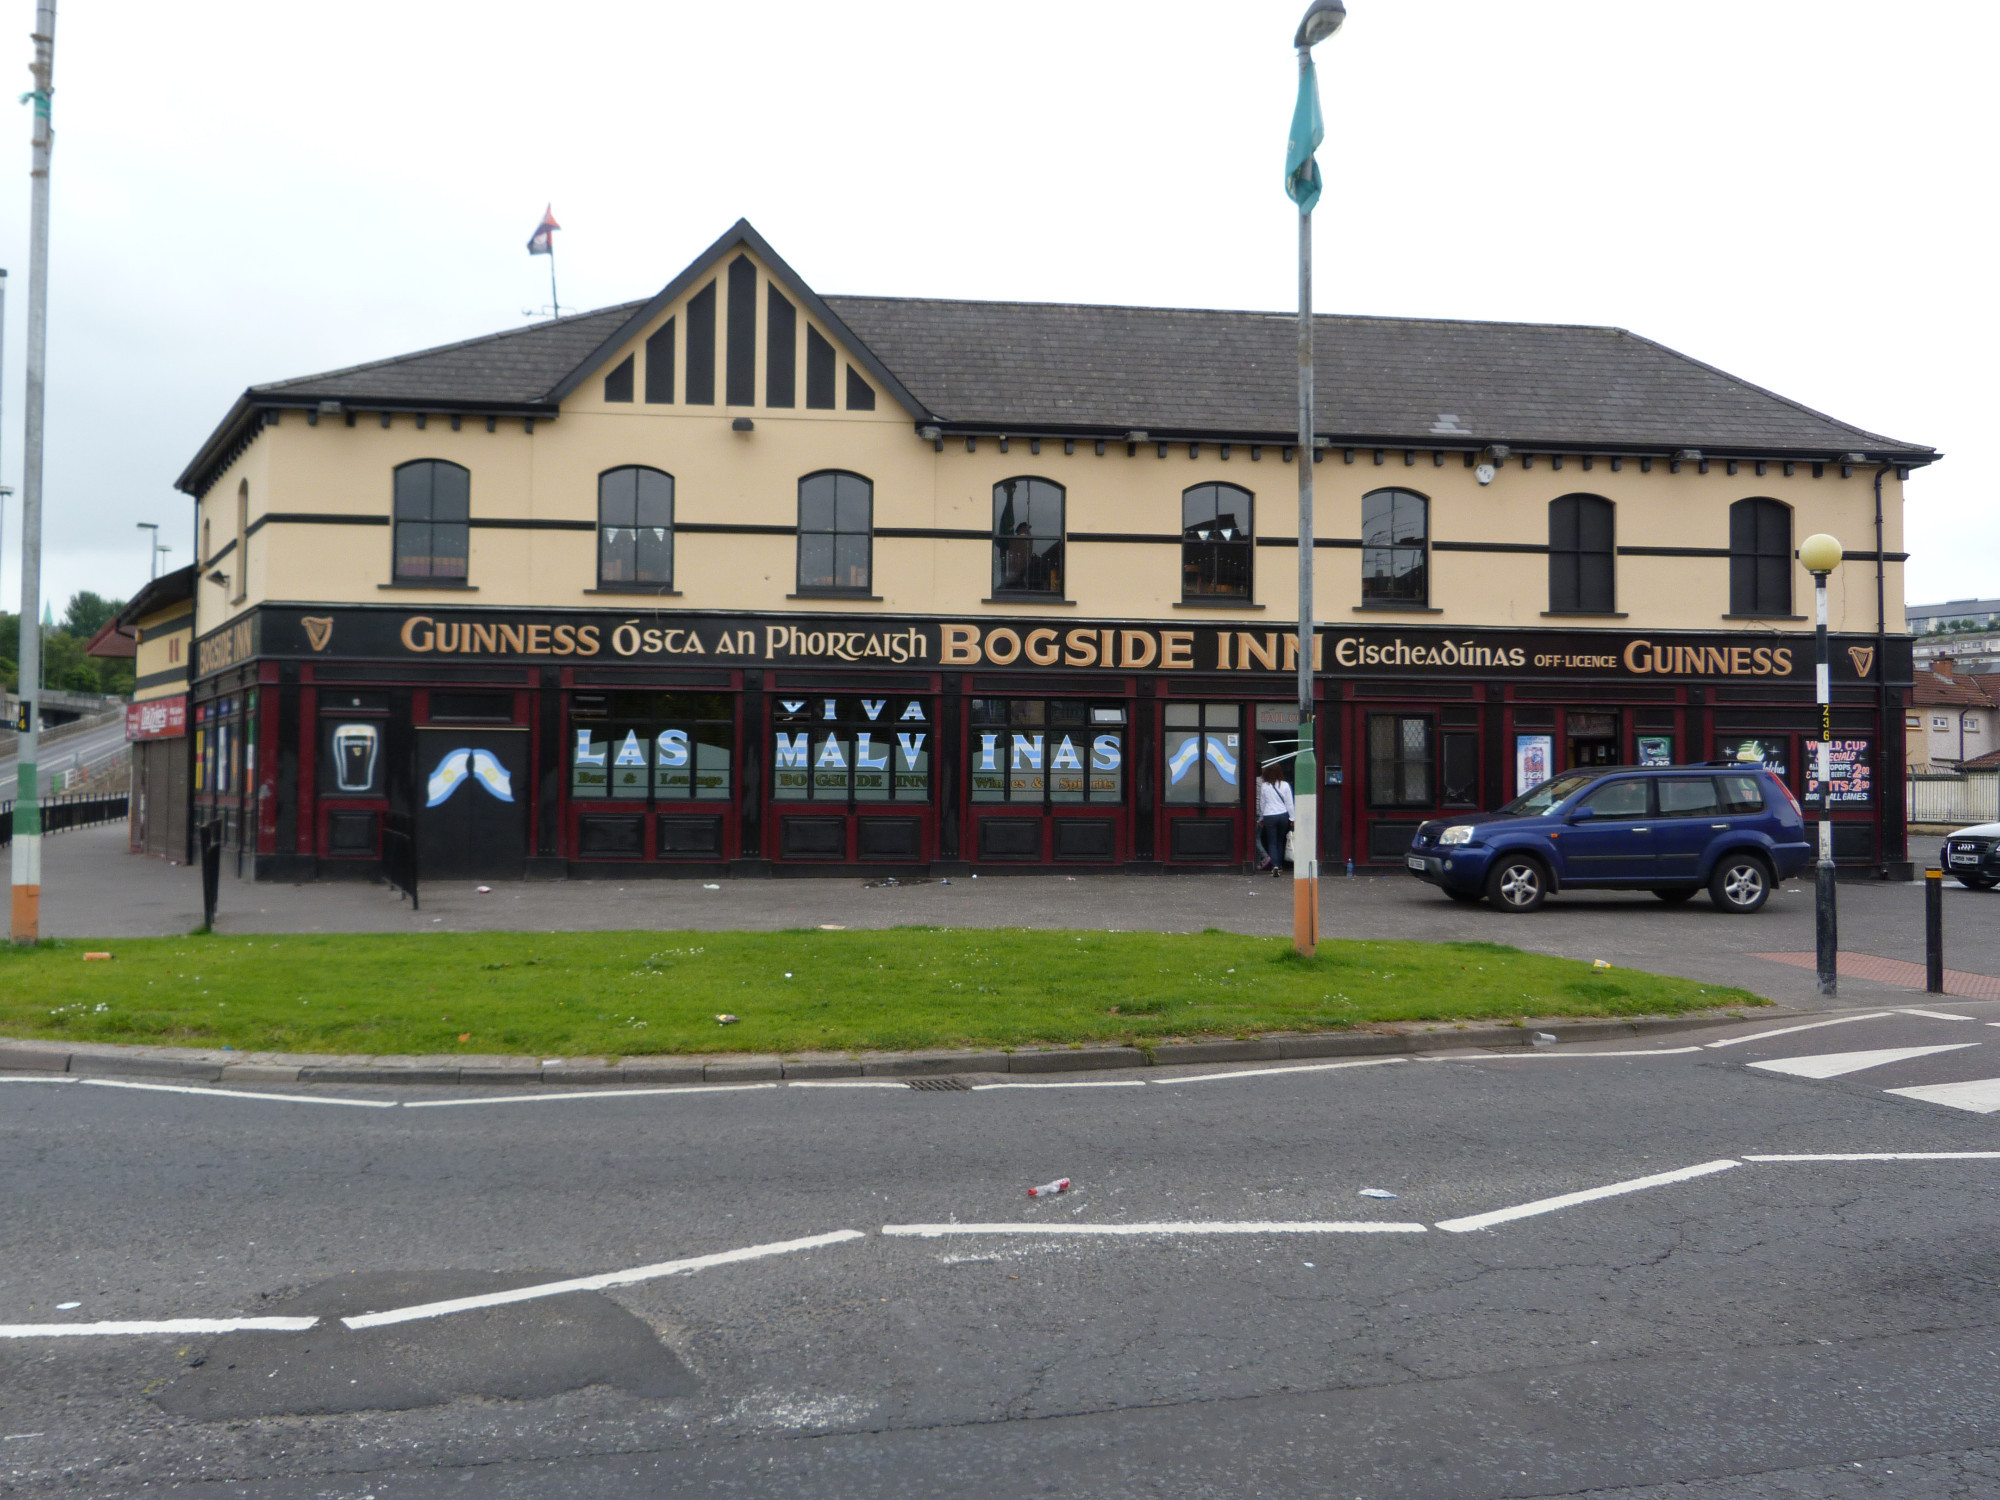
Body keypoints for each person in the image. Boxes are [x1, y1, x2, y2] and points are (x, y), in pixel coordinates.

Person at [1255, 761, 1295, 877]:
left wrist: (1261, 818)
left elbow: (1262, 803)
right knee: (1280, 841)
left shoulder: (1264, 786)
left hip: (1269, 816)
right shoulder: (1285, 785)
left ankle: (1275, 865)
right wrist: (1292, 818)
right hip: (1283, 815)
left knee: (1272, 842)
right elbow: (1289, 804)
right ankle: (1281, 866)